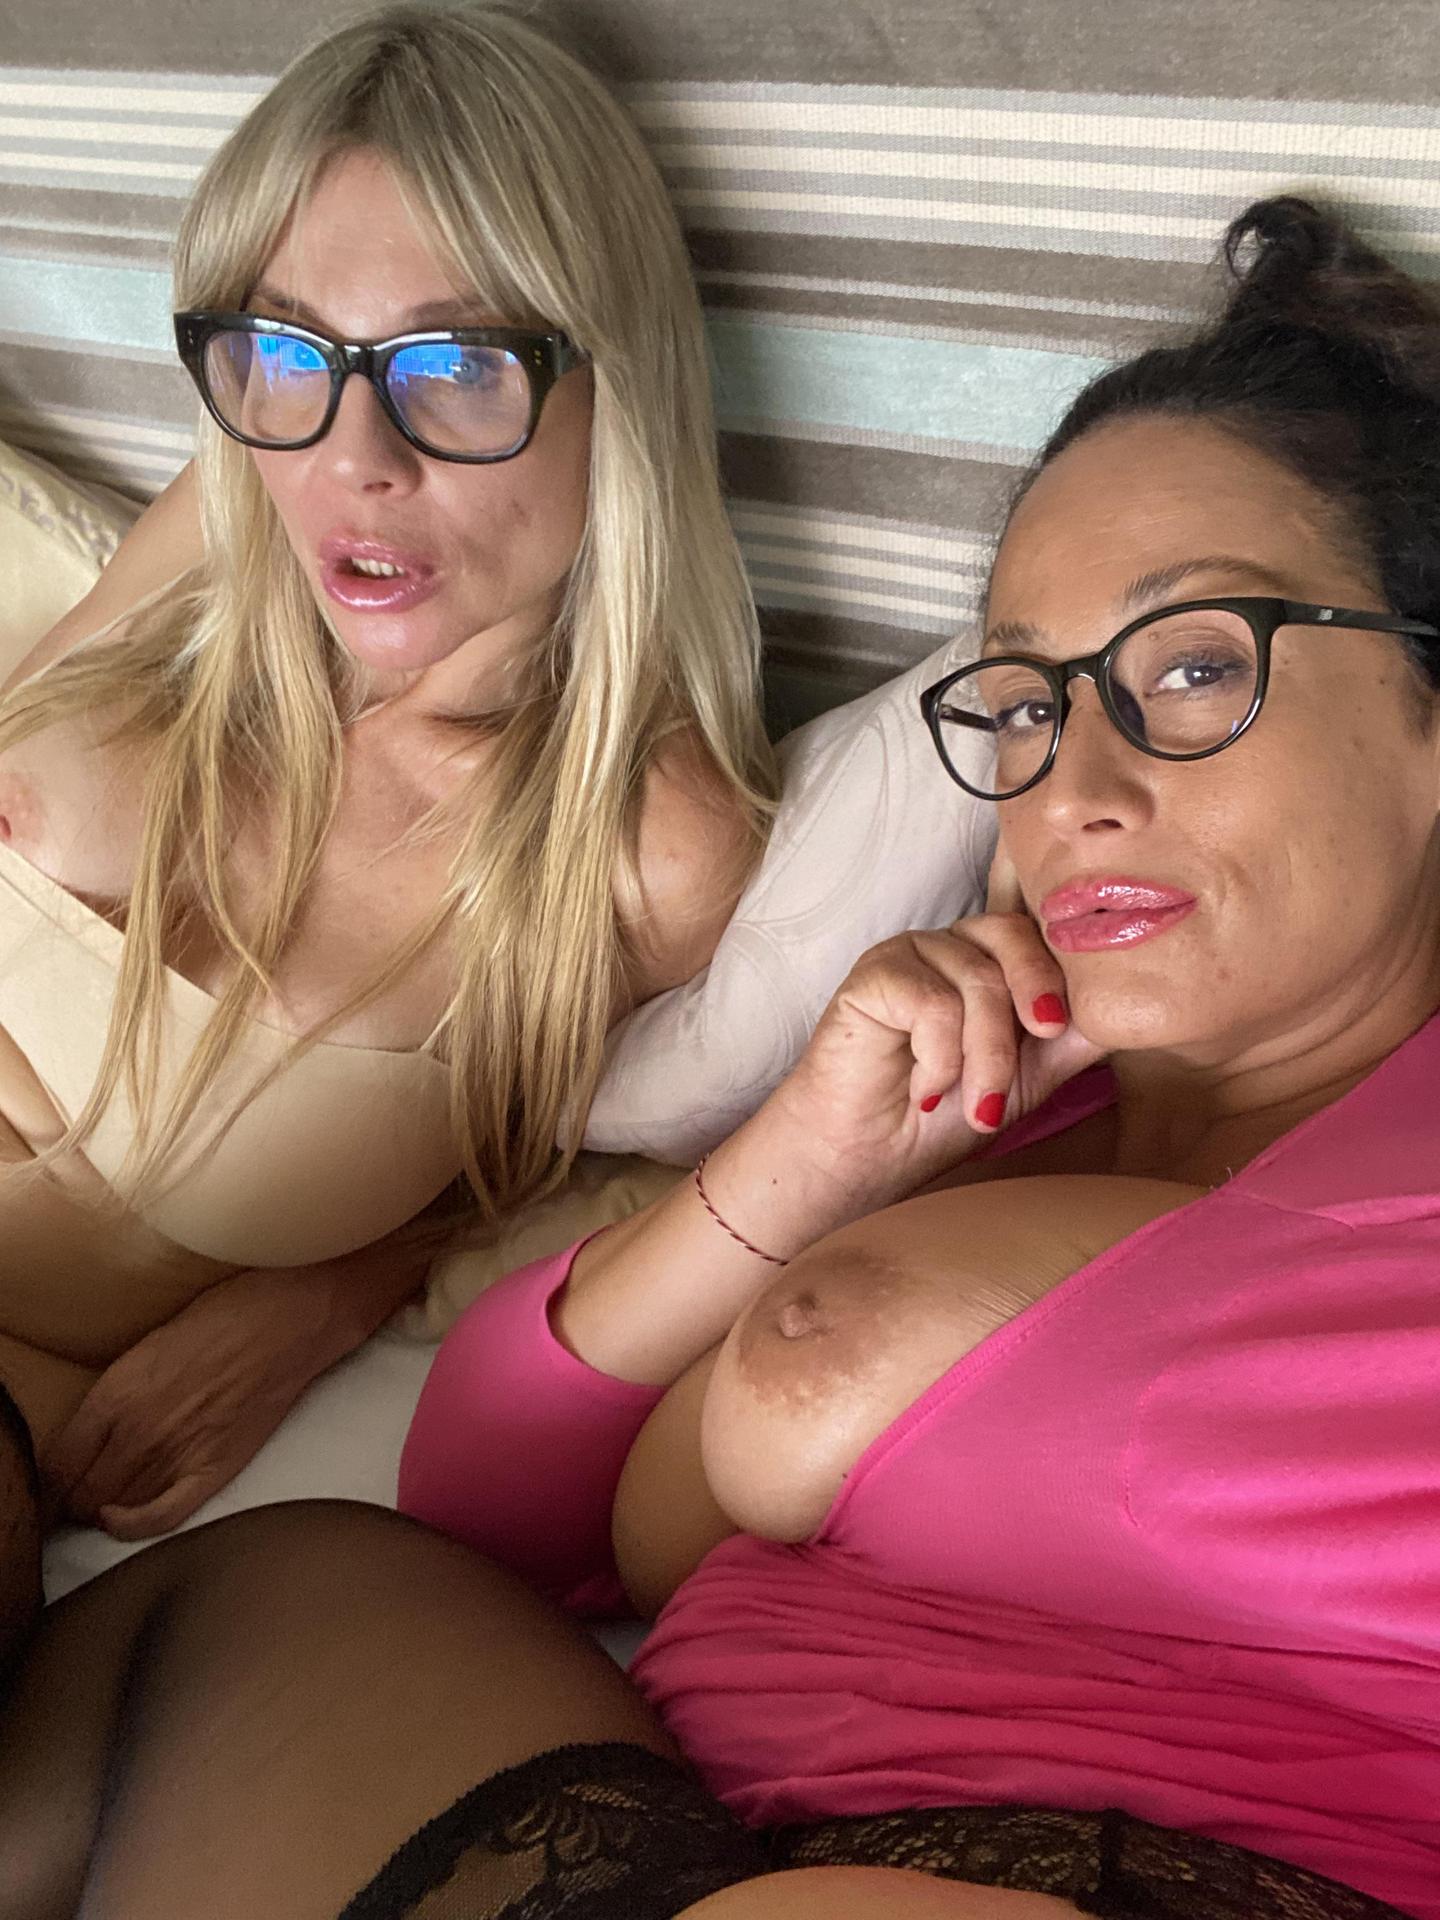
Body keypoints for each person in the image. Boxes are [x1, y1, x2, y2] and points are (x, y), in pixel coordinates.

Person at [1, 192, 1434, 1919]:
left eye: (1194, 667)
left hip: (1230, 1861)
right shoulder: (983, 1107)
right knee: (248, 1606)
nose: (1077, 788)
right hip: (705, 1838)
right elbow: (489, 1501)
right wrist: (803, 1162)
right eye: (1025, 704)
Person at [0, 2, 774, 1538]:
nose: (356, 456)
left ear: (614, 382)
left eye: (459, 362)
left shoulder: (640, 844)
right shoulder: (236, 501)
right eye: (288, 347)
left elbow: (572, 1163)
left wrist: (322, 1300)